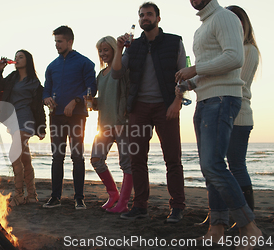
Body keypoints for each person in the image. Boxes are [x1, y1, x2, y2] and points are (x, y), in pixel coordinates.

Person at [175, 0, 262, 247]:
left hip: (222, 98)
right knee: (209, 168)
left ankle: (249, 227)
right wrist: (190, 83)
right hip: (205, 99)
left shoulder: (225, 17)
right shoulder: (203, 26)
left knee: (215, 165)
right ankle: (217, 227)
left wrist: (195, 70)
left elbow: (234, 58)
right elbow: (213, 67)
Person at [112, 2, 186, 222]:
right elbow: (116, 73)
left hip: (166, 106)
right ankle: (140, 206)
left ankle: (178, 207)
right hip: (139, 108)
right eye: (142, 15)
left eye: (149, 14)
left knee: (172, 158)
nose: (145, 18)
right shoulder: (132, 46)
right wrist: (118, 48)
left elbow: (184, 75)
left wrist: (177, 102)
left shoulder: (174, 42)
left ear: (158, 18)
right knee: (137, 159)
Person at [194, 5, 260, 231]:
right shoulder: (217, 40)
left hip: (238, 113)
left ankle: (246, 219)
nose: (236, 26)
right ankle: (219, 220)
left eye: (239, 22)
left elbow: (235, 81)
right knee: (216, 165)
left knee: (234, 166)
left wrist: (197, 71)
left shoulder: (247, 50)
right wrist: (193, 80)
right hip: (218, 102)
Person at [42, 25, 96, 210]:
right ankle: (55, 197)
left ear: (70, 42)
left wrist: (75, 101)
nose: (57, 45)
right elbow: (46, 89)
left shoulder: (85, 63)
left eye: (60, 41)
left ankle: (79, 198)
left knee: (77, 156)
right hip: (56, 116)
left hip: (77, 116)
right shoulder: (52, 66)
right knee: (57, 157)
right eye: (55, 41)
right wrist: (46, 98)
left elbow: (91, 89)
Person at [0, 50, 46, 206]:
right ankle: (32, 195)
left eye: (20, 57)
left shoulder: (34, 82)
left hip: (26, 121)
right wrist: (0, 69)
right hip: (13, 121)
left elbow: (39, 107)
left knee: (14, 154)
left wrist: (42, 127)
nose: (17, 59)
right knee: (24, 158)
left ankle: (19, 195)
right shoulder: (12, 78)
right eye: (15, 57)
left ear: (28, 61)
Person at [91, 36, 132, 213]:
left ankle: (123, 203)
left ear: (115, 50)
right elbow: (105, 99)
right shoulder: (100, 75)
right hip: (103, 125)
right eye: (100, 51)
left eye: (106, 49)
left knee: (127, 164)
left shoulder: (121, 69)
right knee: (96, 159)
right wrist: (93, 102)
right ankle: (113, 194)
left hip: (121, 123)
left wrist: (123, 118)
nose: (103, 53)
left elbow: (124, 94)